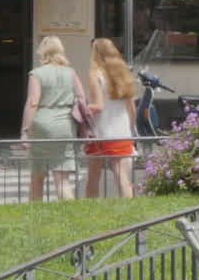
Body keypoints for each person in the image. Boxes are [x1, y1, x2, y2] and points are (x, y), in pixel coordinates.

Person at [20, 36, 86, 202]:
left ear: (43, 52)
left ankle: (35, 212)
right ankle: (70, 212)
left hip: (41, 126)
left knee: (37, 177)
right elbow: (81, 97)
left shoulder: (36, 74)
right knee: (62, 179)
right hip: (65, 125)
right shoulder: (71, 73)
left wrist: (25, 131)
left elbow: (33, 102)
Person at [83, 38, 139, 198]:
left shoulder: (95, 74)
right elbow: (131, 108)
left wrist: (82, 108)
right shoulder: (123, 74)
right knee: (123, 178)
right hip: (122, 132)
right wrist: (132, 129)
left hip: (100, 132)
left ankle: (89, 209)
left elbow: (98, 105)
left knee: (94, 177)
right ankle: (130, 209)